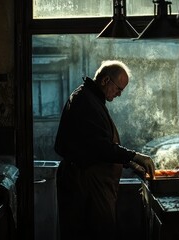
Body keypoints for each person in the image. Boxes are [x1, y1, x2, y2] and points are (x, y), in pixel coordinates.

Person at [54, 60, 155, 240]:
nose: (119, 94)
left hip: (91, 182)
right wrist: (135, 156)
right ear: (105, 80)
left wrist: (130, 163)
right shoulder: (84, 101)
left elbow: (98, 145)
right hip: (84, 183)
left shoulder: (91, 99)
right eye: (118, 89)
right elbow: (100, 147)